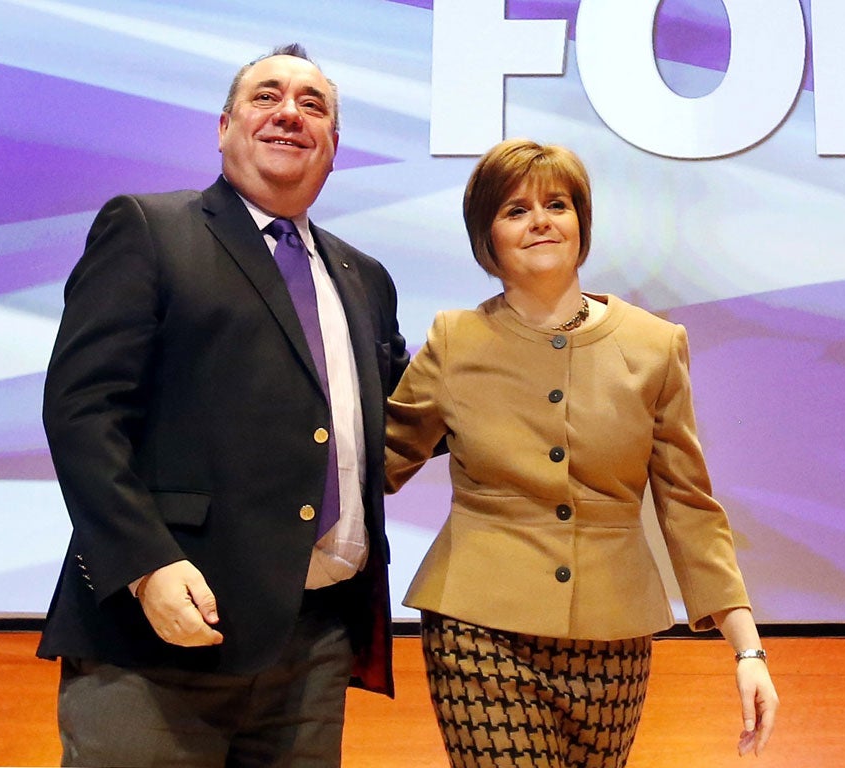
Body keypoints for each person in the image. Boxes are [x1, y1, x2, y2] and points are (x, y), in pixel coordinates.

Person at [38, 44, 408, 767]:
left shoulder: (366, 278)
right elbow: (82, 413)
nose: (290, 113)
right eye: (267, 96)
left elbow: (407, 419)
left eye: (313, 104)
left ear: (334, 147)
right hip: (158, 643)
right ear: (223, 126)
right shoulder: (148, 230)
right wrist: (145, 565)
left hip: (314, 650)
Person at [384, 138, 778, 767]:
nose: (540, 219)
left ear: (580, 223)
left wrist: (747, 649)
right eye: (515, 210)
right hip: (478, 629)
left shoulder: (655, 345)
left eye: (557, 204)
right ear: (486, 237)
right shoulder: (454, 341)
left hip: (613, 637)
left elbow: (688, 507)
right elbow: (375, 460)